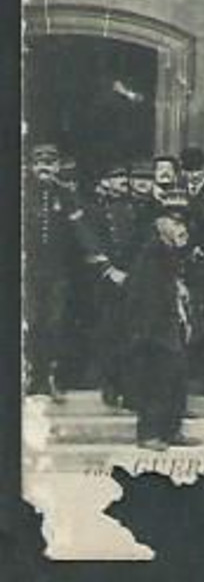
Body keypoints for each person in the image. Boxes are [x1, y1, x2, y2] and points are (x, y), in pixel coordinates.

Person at [123, 199, 202, 450]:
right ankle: (149, 434)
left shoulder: (171, 252)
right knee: (156, 381)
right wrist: (149, 332)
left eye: (184, 223)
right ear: (160, 224)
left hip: (171, 328)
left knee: (175, 379)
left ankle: (171, 430)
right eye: (175, 222)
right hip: (155, 331)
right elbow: (143, 296)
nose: (183, 228)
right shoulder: (152, 253)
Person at [24, 143, 85, 400]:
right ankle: (28, 376)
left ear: (57, 166)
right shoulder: (23, 192)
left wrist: (101, 259)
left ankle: (50, 378)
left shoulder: (66, 195)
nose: (44, 167)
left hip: (57, 271)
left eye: (50, 163)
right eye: (39, 163)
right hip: (28, 270)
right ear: (31, 166)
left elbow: (81, 231)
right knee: (30, 322)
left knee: (54, 323)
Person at [78, 164, 139, 409]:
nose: (123, 181)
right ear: (106, 182)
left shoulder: (135, 209)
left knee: (131, 334)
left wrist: (133, 274)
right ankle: (110, 384)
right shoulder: (94, 211)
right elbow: (89, 246)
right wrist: (109, 271)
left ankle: (130, 387)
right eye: (117, 177)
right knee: (108, 333)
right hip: (106, 281)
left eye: (125, 177)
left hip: (132, 281)